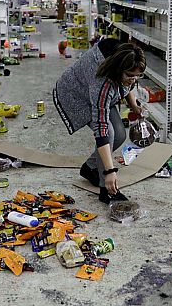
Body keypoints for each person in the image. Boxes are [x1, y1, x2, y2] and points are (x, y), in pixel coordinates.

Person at [53, 38, 145, 203]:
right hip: (76, 94)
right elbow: (100, 127)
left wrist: (134, 106)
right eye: (130, 75)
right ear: (118, 71)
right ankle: (106, 191)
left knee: (119, 135)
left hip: (102, 91)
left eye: (137, 76)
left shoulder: (128, 56)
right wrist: (110, 171)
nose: (134, 79)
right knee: (109, 132)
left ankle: (89, 168)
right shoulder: (101, 83)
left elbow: (128, 84)